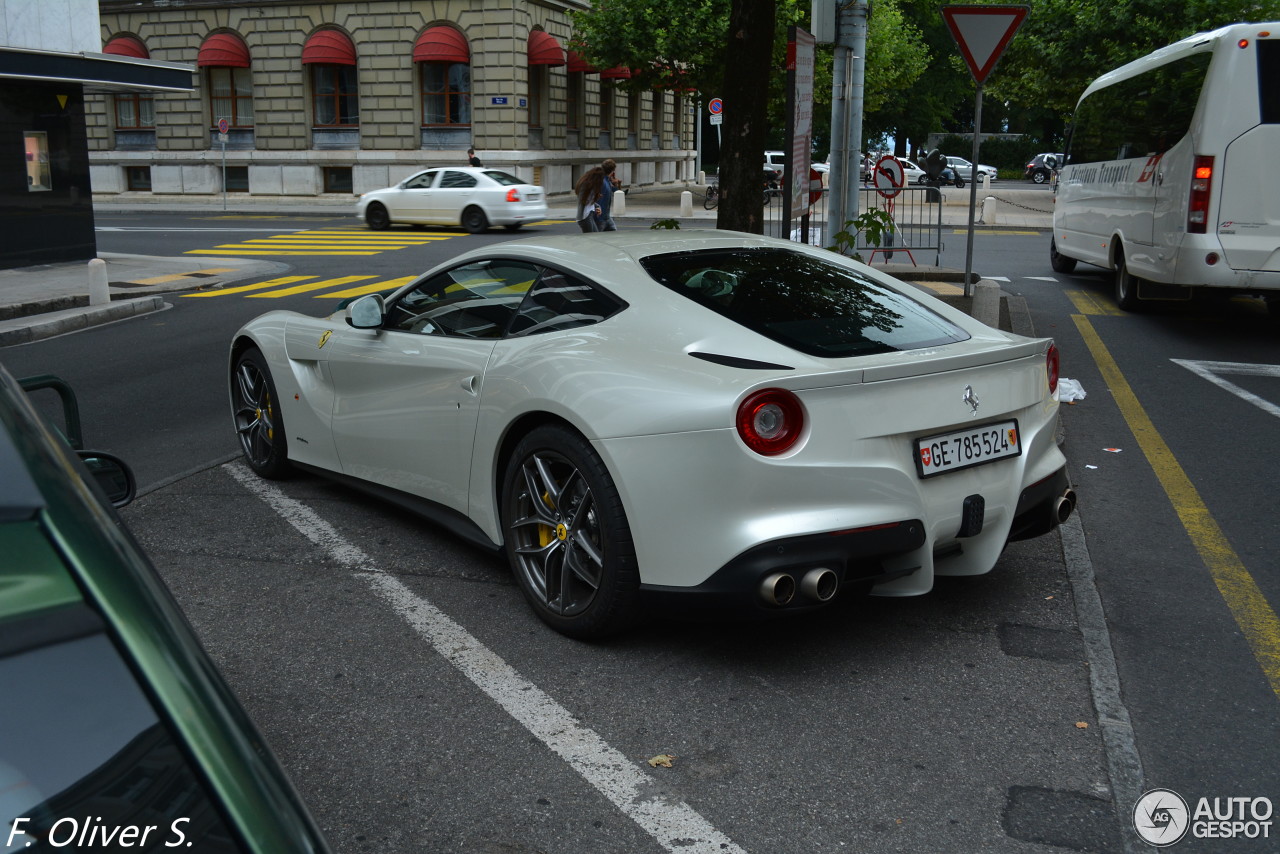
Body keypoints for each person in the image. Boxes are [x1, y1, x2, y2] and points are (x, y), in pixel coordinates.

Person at [574, 166, 605, 232]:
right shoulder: (585, 185)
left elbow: (590, 202)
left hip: (589, 215)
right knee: (591, 239)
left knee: (595, 236)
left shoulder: (591, 186)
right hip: (585, 216)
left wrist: (597, 206)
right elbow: (582, 201)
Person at [598, 158, 619, 231]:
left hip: (606, 216)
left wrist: (615, 184)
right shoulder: (603, 181)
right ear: (612, 171)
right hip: (600, 218)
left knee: (613, 232)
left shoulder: (606, 180)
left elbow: (616, 191)